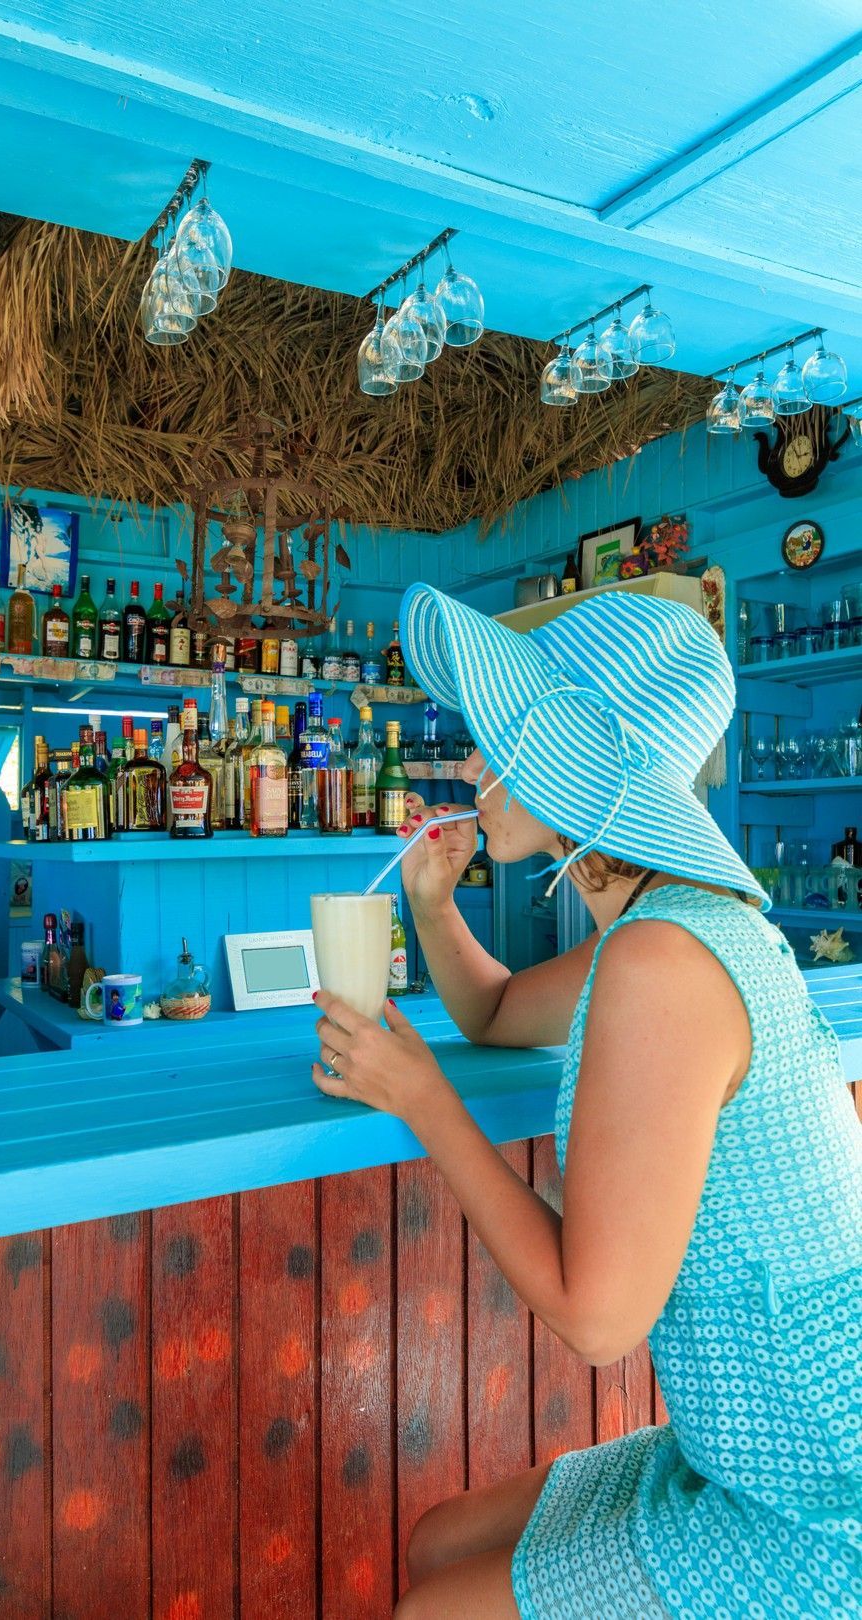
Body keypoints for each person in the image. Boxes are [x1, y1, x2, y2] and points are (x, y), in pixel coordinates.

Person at [312, 583, 861, 1620]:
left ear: (575, 767)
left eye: (502, 740)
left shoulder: (663, 960)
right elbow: (499, 1010)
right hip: (751, 1437)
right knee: (437, 1543)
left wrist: (424, 1103)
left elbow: (598, 1318)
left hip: (820, 1489)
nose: (473, 768)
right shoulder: (664, 927)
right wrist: (433, 906)